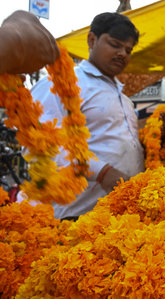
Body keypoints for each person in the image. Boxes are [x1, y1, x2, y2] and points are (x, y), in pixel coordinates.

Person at [31, 12, 144, 220]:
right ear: (92, 40)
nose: (123, 54)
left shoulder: (124, 99)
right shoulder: (62, 83)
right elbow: (42, 145)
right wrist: (101, 171)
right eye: (115, 44)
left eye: (128, 50)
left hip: (117, 216)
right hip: (75, 215)